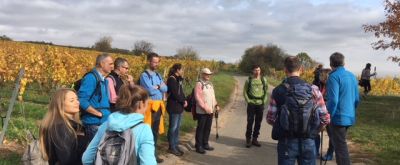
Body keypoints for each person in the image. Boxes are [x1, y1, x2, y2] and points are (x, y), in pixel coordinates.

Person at [266, 56, 330, 165]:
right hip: (309, 141)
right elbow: (325, 119)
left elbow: (270, 118)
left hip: (286, 141)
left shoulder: (277, 90)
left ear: (285, 70)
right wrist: (313, 132)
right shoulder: (314, 90)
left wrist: (284, 125)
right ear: (301, 69)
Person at [82, 84, 156, 165]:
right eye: (147, 104)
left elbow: (86, 159)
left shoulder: (106, 125)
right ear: (142, 104)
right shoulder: (144, 129)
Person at [39, 89, 89, 165]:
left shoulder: (67, 125)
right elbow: (67, 160)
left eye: (77, 99)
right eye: (72, 100)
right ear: (60, 104)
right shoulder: (61, 127)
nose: (77, 102)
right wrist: (81, 139)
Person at [326, 52, 360, 165]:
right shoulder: (352, 75)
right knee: (339, 145)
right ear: (343, 62)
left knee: (341, 149)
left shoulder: (333, 77)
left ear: (331, 64)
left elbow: (333, 100)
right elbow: (356, 99)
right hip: (349, 116)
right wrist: (351, 111)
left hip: (338, 117)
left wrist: (327, 114)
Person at [139, 52, 168, 163]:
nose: (156, 64)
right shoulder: (144, 75)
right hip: (149, 108)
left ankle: (154, 155)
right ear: (149, 62)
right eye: (154, 62)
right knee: (147, 132)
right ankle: (145, 157)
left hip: (158, 106)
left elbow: (166, 89)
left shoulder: (158, 75)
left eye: (157, 62)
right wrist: (159, 86)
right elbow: (149, 90)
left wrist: (158, 87)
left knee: (155, 132)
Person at [78, 53, 113, 141]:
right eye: (110, 64)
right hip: (93, 124)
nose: (112, 67)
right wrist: (98, 114)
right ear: (101, 64)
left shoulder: (104, 80)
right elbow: (82, 100)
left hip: (101, 124)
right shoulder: (91, 78)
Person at [194, 68, 220, 154]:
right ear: (202, 74)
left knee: (207, 128)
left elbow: (213, 96)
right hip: (202, 111)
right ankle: (198, 146)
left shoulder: (210, 84)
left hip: (211, 110)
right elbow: (198, 98)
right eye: (206, 74)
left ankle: (205, 143)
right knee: (201, 128)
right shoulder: (199, 84)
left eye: (209, 74)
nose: (208, 75)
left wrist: (216, 105)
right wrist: (205, 108)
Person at [243, 65, 268, 148]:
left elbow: (266, 92)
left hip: (260, 104)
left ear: (260, 71)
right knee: (250, 122)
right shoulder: (249, 80)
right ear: (252, 71)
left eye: (258, 70)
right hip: (251, 104)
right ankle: (248, 139)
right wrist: (248, 101)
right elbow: (245, 92)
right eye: (255, 70)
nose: (257, 72)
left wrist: (263, 101)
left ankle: (255, 139)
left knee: (258, 122)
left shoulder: (263, 80)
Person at [166, 63, 187, 156]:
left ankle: (175, 144)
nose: (183, 71)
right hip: (173, 107)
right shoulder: (171, 79)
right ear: (177, 70)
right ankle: (171, 147)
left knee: (177, 128)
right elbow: (175, 94)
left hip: (179, 107)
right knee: (173, 128)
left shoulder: (178, 79)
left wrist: (184, 100)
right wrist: (183, 101)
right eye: (182, 69)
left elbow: (181, 92)